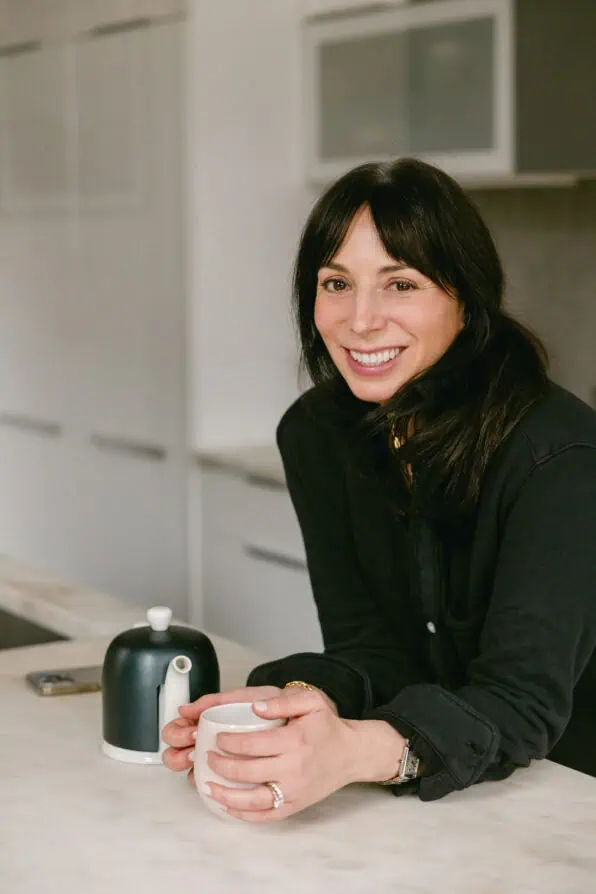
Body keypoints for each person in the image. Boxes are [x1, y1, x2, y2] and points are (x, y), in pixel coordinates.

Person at [163, 158, 596, 823]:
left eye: (400, 283)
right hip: (440, 795)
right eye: (336, 282)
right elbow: (371, 647)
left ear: (466, 298)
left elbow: (521, 702)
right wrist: (296, 706)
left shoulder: (558, 454)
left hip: (564, 795)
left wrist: (356, 752)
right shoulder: (316, 435)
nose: (360, 320)